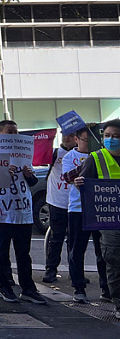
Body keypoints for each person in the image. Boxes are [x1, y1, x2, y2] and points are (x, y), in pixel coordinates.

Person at [0, 119, 47, 305]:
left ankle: (28, 288)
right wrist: (3, 174)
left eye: (16, 132)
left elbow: (29, 184)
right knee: (2, 252)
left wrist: (29, 176)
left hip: (23, 211)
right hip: (2, 211)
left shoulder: (23, 154)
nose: (13, 135)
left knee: (24, 253)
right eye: (9, 132)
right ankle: (4, 287)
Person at [73, 119, 120, 319]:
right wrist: (79, 184)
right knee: (115, 261)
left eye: (115, 136)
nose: (110, 139)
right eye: (107, 136)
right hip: (110, 222)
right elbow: (86, 187)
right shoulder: (96, 158)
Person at [63, 125, 109, 302]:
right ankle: (78, 287)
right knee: (77, 249)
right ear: (77, 140)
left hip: (99, 208)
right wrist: (86, 163)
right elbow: (67, 177)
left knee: (103, 250)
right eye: (85, 140)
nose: (88, 144)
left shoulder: (104, 156)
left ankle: (106, 288)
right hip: (78, 209)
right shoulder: (70, 157)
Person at [43, 131, 77, 284]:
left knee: (74, 240)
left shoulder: (83, 153)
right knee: (56, 238)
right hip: (57, 201)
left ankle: (75, 271)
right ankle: (51, 270)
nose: (66, 138)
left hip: (75, 204)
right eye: (64, 134)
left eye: (71, 135)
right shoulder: (55, 153)